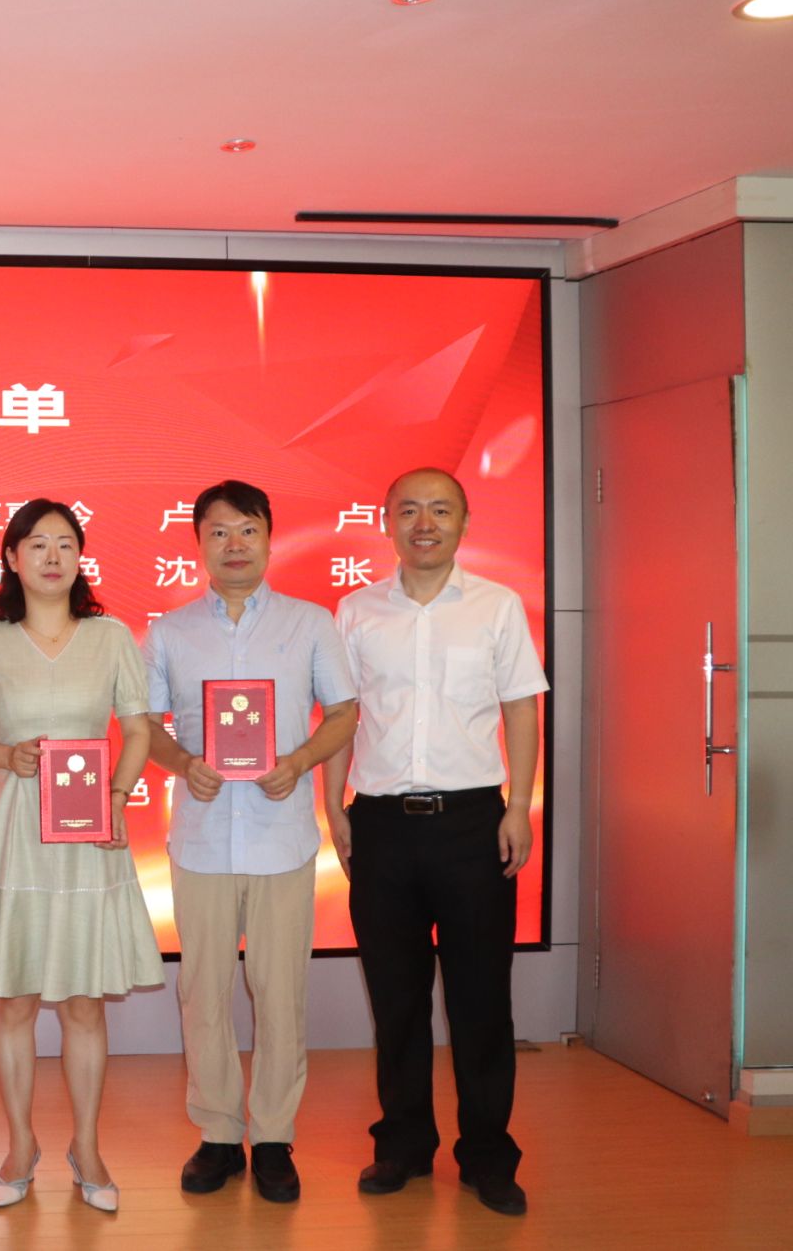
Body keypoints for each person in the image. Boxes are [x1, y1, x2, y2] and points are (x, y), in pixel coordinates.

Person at [323, 467, 546, 1217]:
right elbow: (342, 716)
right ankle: (403, 1145)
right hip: (381, 825)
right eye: (410, 510)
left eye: (441, 510)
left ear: (464, 522)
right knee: (397, 1000)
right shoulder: (356, 611)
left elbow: (521, 708)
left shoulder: (496, 606)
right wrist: (333, 806)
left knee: (482, 1000)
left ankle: (487, 1155)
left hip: (473, 824)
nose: (425, 523)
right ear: (386, 521)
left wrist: (520, 807)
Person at [144, 480, 357, 1203]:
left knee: (280, 991)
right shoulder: (170, 631)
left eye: (247, 530)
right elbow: (144, 725)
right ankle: (216, 1133)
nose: (233, 545)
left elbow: (344, 712)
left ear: (269, 537)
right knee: (202, 990)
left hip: (281, 837)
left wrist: (299, 761)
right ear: (198, 543)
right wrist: (183, 763)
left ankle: (271, 1136)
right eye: (218, 532)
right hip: (202, 838)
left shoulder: (310, 622)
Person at [0, 498, 164, 1213]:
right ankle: (20, 1145)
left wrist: (117, 796)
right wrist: (3, 754)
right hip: (17, 829)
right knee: (14, 998)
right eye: (37, 544)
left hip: (87, 833)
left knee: (82, 1000)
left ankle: (87, 1147)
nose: (52, 556)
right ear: (11, 558)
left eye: (65, 544)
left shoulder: (110, 636)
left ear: (80, 557)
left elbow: (137, 727)